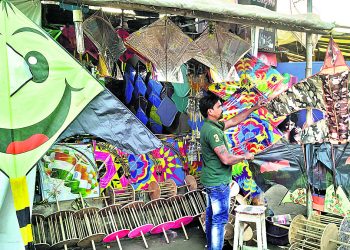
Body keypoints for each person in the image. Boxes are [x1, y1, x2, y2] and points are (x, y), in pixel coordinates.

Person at [199, 93, 266, 250]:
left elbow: (235, 120)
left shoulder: (213, 125)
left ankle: (211, 247)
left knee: (211, 216)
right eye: (218, 106)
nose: (222, 108)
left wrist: (254, 107)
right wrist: (245, 156)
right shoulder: (213, 132)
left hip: (212, 180)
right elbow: (226, 159)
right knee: (219, 219)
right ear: (210, 111)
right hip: (217, 183)